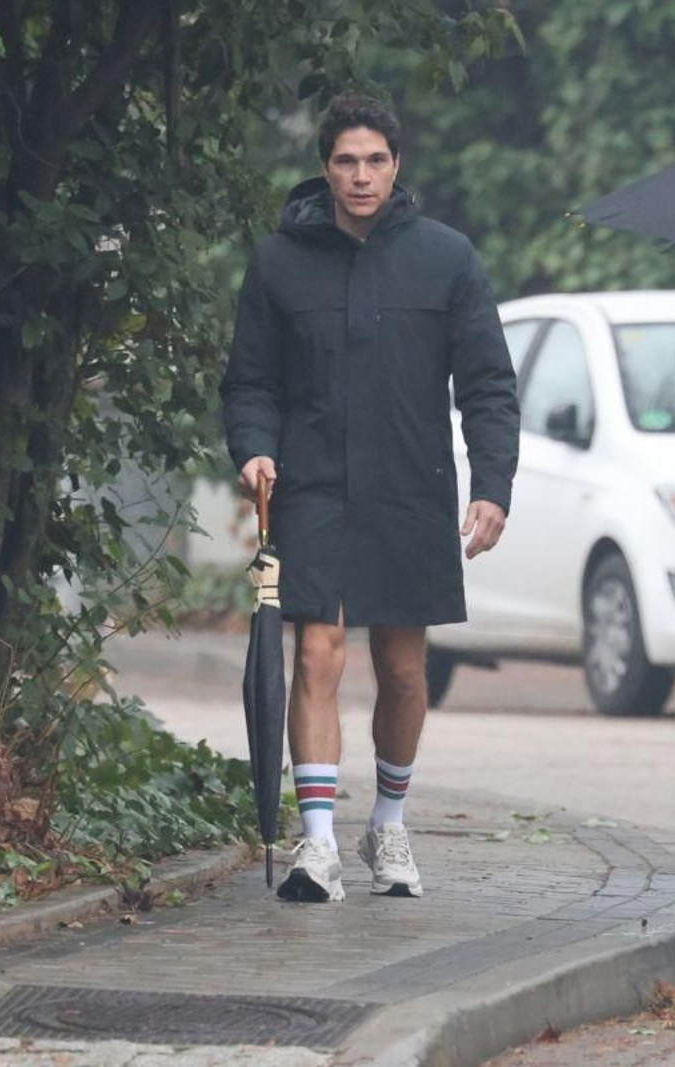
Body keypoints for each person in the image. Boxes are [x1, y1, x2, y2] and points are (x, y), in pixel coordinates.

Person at [221, 94, 519, 904]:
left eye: (376, 160)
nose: (361, 175)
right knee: (318, 650)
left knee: (404, 667)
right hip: (310, 485)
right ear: (325, 167)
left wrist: (493, 486)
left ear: (397, 165)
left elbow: (488, 383)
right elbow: (250, 381)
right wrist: (253, 447)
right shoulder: (280, 261)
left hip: (409, 488)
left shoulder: (446, 259)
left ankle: (388, 818)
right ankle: (315, 844)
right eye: (346, 161)